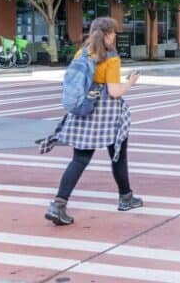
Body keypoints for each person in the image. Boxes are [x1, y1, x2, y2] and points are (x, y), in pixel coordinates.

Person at [42, 17, 142, 226]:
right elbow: (114, 91)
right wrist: (131, 82)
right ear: (108, 34)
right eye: (114, 32)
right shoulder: (111, 57)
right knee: (118, 156)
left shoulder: (82, 53)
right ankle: (126, 198)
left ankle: (58, 204)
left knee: (79, 159)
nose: (115, 36)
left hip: (84, 108)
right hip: (107, 112)